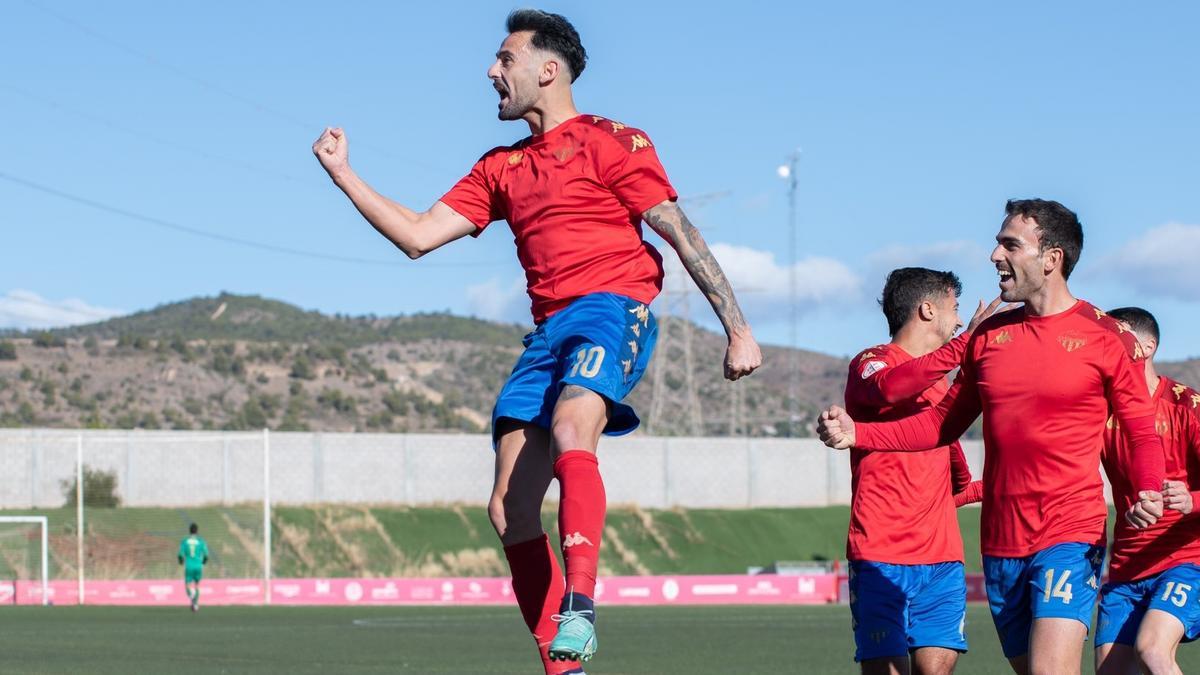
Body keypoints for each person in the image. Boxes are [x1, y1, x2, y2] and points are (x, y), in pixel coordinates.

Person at [312, 10, 761, 672]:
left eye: (505, 59)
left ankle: (580, 605)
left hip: (612, 309)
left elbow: (676, 228)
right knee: (508, 508)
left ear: (547, 70)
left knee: (574, 421)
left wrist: (738, 327)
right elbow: (415, 234)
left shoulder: (612, 141)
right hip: (548, 333)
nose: (492, 71)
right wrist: (342, 172)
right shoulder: (500, 167)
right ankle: (565, 667)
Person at [817, 199, 1166, 675]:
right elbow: (939, 425)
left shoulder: (1107, 336)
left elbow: (1140, 427)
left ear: (1051, 258)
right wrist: (860, 433)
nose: (994, 255)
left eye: (1009, 244)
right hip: (1001, 541)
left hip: (1070, 528)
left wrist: (1147, 487)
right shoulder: (988, 338)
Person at [844, 267, 998, 674]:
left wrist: (993, 487)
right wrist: (964, 346)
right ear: (928, 309)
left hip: (942, 559)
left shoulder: (941, 388)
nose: (962, 320)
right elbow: (891, 388)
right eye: (956, 308)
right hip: (881, 554)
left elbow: (957, 484)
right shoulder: (871, 363)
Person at [1095, 307, 1200, 675]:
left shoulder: (1187, 406)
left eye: (1116, 342)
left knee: (1152, 652)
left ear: (1148, 346)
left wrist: (1192, 500)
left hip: (1187, 561)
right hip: (1126, 568)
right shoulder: (1098, 413)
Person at [178, 523, 209, 612]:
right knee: (197, 585)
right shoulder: (201, 541)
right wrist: (203, 562)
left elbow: (180, 554)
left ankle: (191, 596)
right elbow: (206, 555)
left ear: (189, 530)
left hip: (189, 566)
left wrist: (181, 561)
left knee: (187, 585)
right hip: (198, 566)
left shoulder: (184, 541)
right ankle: (195, 604)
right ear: (197, 531)